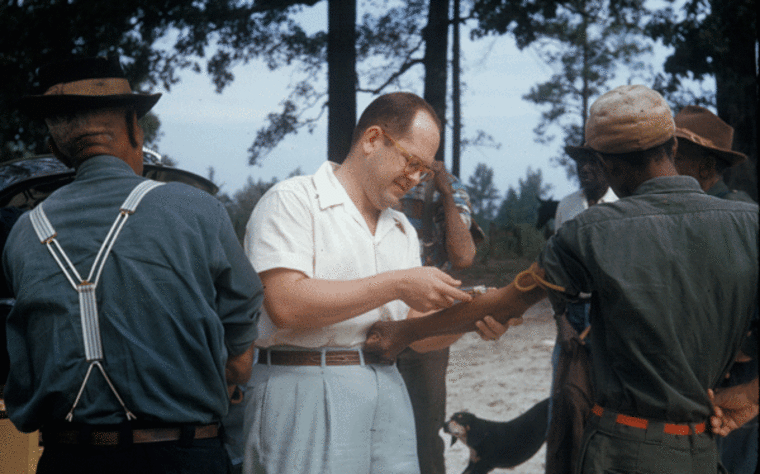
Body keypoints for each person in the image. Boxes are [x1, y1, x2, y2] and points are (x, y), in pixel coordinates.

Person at [364, 84, 759, 474]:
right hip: (703, 451)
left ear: (602, 162)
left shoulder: (593, 232)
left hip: (621, 451)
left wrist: (403, 333)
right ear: (672, 147)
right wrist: (749, 395)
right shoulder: (748, 224)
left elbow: (505, 303)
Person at [3, 56, 263, 474]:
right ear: (135, 131)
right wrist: (232, 365)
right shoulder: (198, 210)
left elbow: (24, 367)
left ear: (55, 149)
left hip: (69, 460)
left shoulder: (22, 234)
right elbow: (242, 336)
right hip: (184, 458)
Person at [240, 91, 506, 474]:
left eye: (425, 171)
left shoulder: (400, 229)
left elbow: (414, 331)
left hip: (387, 391)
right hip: (302, 389)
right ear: (371, 139)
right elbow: (285, 304)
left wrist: (471, 319)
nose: (415, 179)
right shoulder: (294, 200)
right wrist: (396, 284)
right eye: (411, 161)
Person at [672, 104, 758, 474]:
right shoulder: (692, 218)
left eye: (675, 158)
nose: (663, 169)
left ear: (706, 167)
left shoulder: (736, 217)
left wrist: (744, 347)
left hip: (734, 385)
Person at [394, 162, 483, 474]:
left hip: (428, 324)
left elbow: (463, 256)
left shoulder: (445, 186)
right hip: (374, 317)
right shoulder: (375, 181)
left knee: (425, 431)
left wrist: (444, 193)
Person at [545, 146, 617, 473]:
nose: (586, 169)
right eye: (581, 163)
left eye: (594, 161)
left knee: (602, 403)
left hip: (610, 317)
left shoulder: (623, 206)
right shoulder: (567, 206)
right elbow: (554, 269)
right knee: (563, 400)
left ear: (608, 165)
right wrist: (562, 321)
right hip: (572, 314)